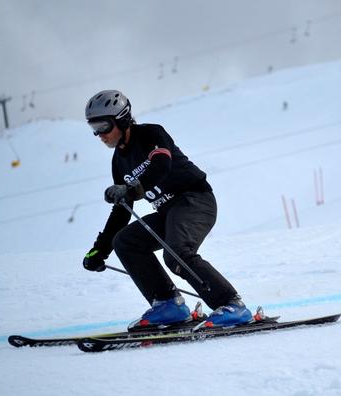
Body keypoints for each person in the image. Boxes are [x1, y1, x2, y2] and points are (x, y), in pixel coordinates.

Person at [82, 89, 252, 331]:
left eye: (103, 126)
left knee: (176, 253)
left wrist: (130, 190)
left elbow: (162, 165)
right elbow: (122, 212)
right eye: (93, 128)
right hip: (168, 211)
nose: (99, 134)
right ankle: (169, 305)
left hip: (195, 200)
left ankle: (233, 306)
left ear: (121, 119)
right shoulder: (118, 162)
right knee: (126, 241)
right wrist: (100, 250)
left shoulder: (151, 134)